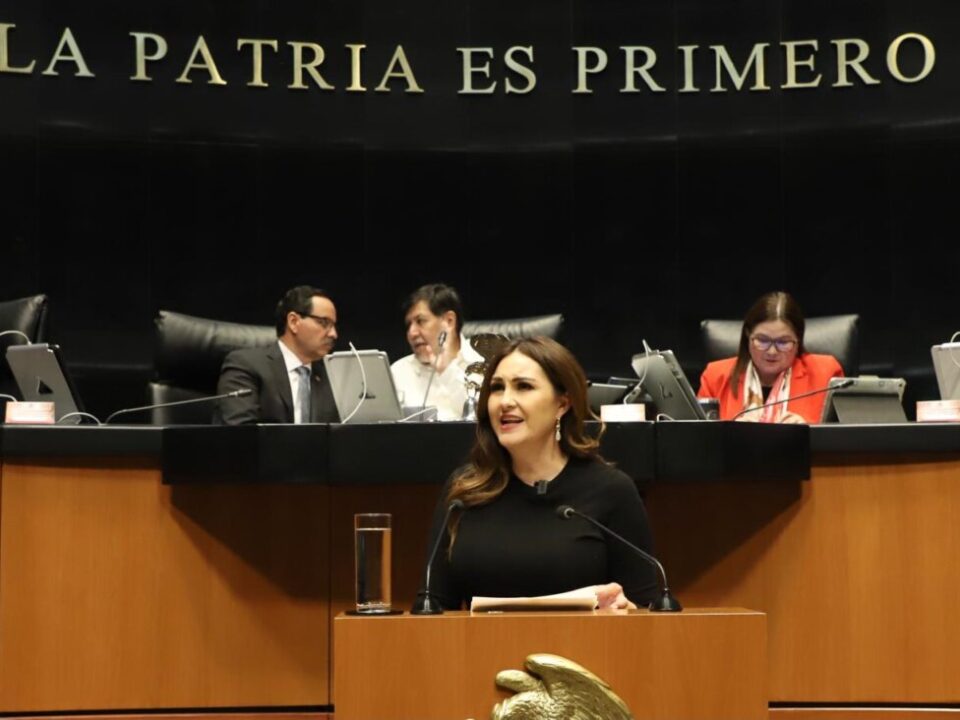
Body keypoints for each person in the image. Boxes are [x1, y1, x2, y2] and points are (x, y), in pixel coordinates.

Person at [416, 336, 659, 610]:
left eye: (524, 386)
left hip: (581, 640)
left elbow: (648, 610)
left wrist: (627, 609)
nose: (505, 401)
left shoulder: (611, 491)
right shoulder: (465, 491)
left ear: (562, 403)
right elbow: (431, 607)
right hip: (481, 640)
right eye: (497, 388)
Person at [698, 291, 844, 424]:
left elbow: (842, 438)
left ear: (798, 340)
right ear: (748, 335)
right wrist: (732, 431)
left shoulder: (825, 374)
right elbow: (699, 437)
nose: (772, 351)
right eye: (762, 340)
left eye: (783, 342)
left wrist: (809, 431)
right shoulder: (715, 377)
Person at [216, 286, 341, 425]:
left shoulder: (332, 376)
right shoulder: (245, 365)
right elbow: (241, 430)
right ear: (293, 322)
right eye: (324, 323)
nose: (333, 334)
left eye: (334, 326)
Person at [390, 284, 484, 421]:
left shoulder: (483, 362)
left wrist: (447, 371)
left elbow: (484, 418)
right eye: (409, 325)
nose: (411, 333)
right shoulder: (398, 371)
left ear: (449, 321)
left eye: (420, 321)